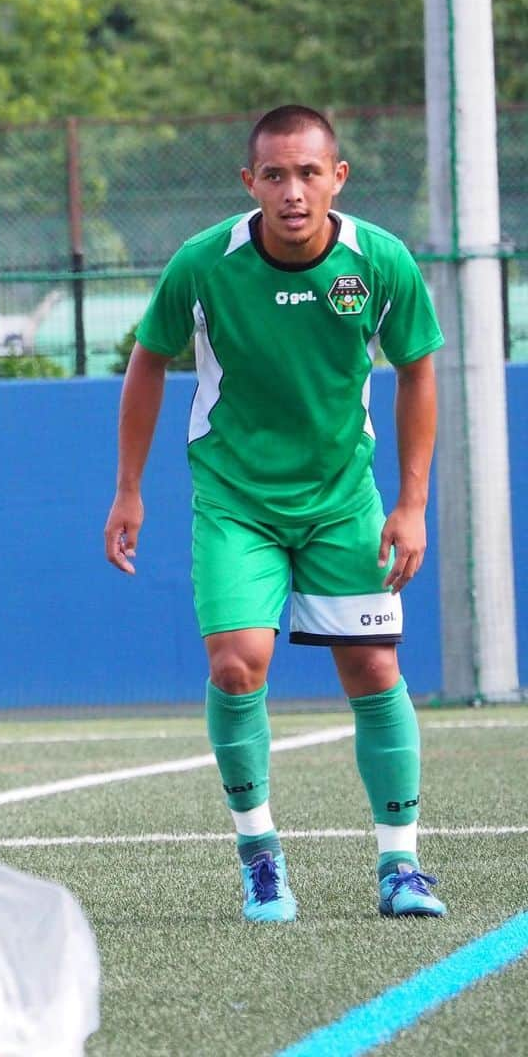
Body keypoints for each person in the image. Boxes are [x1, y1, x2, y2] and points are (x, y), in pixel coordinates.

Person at [104, 105, 447, 923]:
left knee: (372, 670)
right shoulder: (202, 265)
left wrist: (411, 503)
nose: (293, 191)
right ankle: (261, 860)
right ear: (250, 182)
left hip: (341, 502)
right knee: (237, 665)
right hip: (236, 503)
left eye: (308, 173)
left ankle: (400, 866)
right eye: (275, 175)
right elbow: (148, 361)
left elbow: (420, 371)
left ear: (338, 177)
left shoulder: (381, 262)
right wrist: (129, 487)